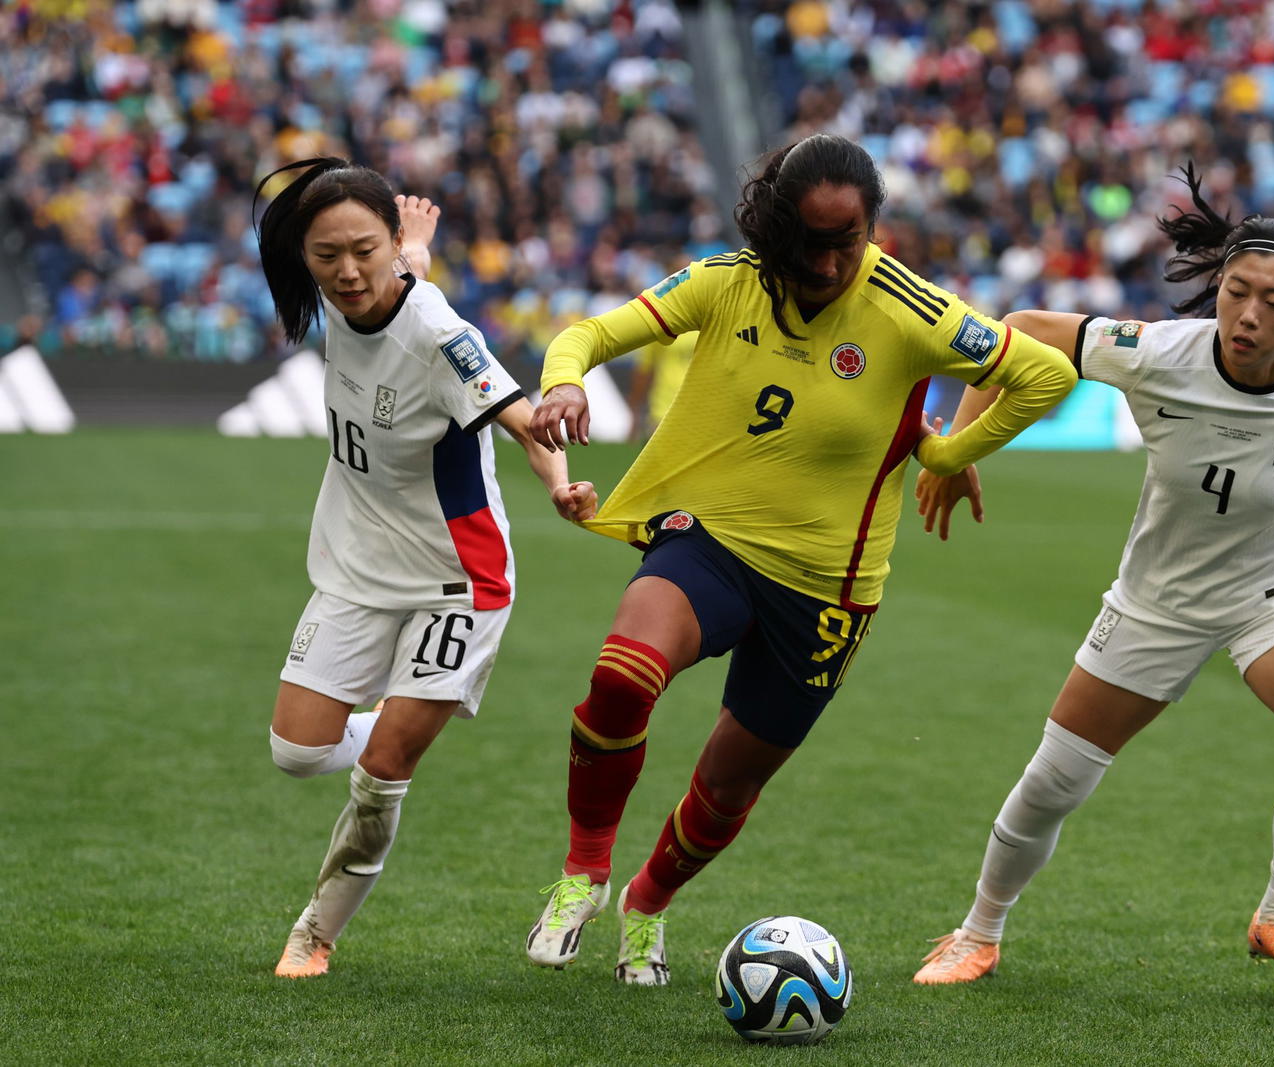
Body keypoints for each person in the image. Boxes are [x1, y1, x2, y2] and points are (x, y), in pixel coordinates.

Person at [521, 133, 1080, 986]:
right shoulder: (727, 280)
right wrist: (565, 379)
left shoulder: (910, 308)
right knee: (622, 676)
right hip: (710, 539)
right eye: (809, 239)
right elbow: (590, 333)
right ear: (774, 221)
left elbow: (1044, 375)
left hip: (828, 588)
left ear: (871, 226)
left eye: (845, 239)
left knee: (727, 785)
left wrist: (947, 452)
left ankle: (646, 902)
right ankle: (584, 873)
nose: (825, 261)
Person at [910, 165, 1274, 993]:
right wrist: (961, 451)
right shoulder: (1155, 353)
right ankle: (978, 931)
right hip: (1158, 601)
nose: (1249, 314)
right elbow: (1022, 326)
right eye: (1236, 291)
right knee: (1055, 780)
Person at [254, 157, 596, 979]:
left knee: (380, 778)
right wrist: (406, 246)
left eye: (364, 251)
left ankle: (314, 932)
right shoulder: (358, 289)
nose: (347, 271)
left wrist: (560, 485)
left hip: (460, 580)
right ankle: (401, 718)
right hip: (355, 565)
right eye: (327, 254)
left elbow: (519, 416)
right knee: (297, 752)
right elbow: (402, 274)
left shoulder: (440, 333)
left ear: (385, 246)